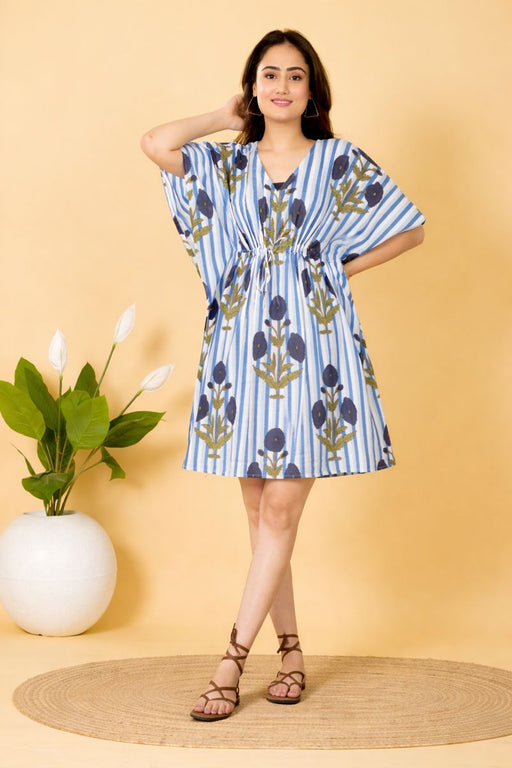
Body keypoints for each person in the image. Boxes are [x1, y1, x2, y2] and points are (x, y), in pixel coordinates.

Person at [141, 28, 425, 722]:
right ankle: (291, 652)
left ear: (312, 91)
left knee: (279, 511)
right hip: (241, 346)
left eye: (295, 76)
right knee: (259, 514)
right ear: (253, 87)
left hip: (315, 345)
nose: (282, 86)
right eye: (269, 74)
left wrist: (338, 269)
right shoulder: (229, 163)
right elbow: (156, 142)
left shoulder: (338, 160)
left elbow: (410, 228)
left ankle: (230, 661)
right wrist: (224, 115)